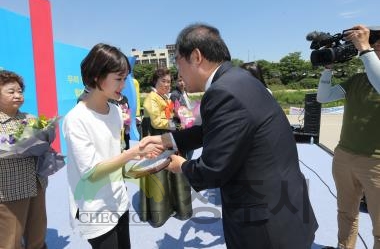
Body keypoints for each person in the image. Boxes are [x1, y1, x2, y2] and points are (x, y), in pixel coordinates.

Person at [140, 23, 318, 248]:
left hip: (264, 227)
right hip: (284, 207)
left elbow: (212, 170)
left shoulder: (222, 92)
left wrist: (180, 166)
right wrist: (168, 139)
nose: (178, 73)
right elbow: (217, 130)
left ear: (196, 56)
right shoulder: (239, 80)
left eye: (177, 61)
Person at [62, 43, 162, 249]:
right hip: (95, 207)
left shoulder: (115, 111)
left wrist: (136, 156)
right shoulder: (76, 119)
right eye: (118, 79)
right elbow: (92, 172)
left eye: (125, 78)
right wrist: (132, 153)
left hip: (118, 199)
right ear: (97, 77)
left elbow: (115, 154)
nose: (123, 85)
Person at [317, 25, 380, 249]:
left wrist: (364, 48)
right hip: (344, 156)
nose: (376, 46)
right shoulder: (358, 79)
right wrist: (327, 70)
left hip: (376, 163)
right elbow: (323, 97)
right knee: (346, 213)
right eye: (375, 44)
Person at [0, 70, 48, 249]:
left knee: (37, 232)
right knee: (10, 239)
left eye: (20, 91)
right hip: (10, 189)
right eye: (11, 91)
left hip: (36, 182)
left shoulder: (30, 118)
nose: (17, 95)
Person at [139, 68, 192, 227]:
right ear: (155, 81)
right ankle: (161, 212)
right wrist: (177, 122)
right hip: (156, 140)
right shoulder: (151, 99)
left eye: (169, 81)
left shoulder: (164, 97)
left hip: (168, 137)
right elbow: (156, 122)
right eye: (164, 81)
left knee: (173, 172)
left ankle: (174, 205)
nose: (167, 84)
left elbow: (169, 115)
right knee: (160, 173)